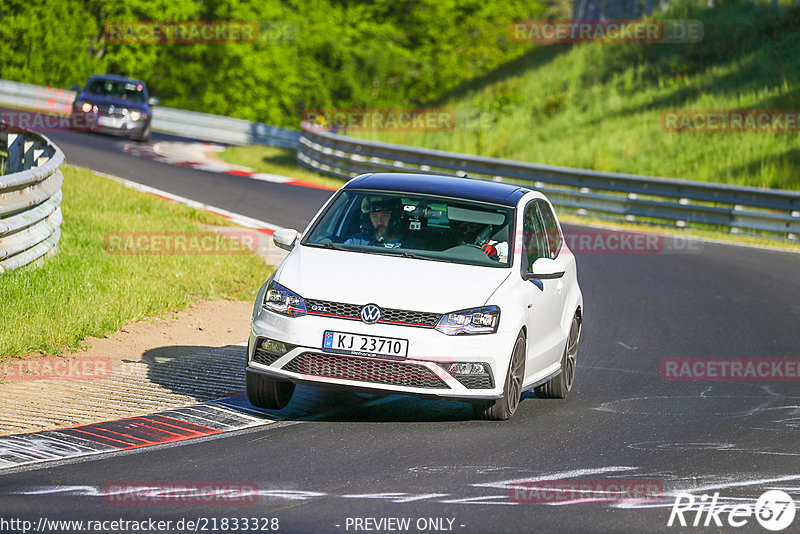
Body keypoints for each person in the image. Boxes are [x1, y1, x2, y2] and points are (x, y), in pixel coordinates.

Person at [344, 196, 420, 248]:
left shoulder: (412, 245)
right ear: (368, 219)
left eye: (384, 216)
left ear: (395, 217)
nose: (379, 222)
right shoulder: (357, 242)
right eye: (374, 216)